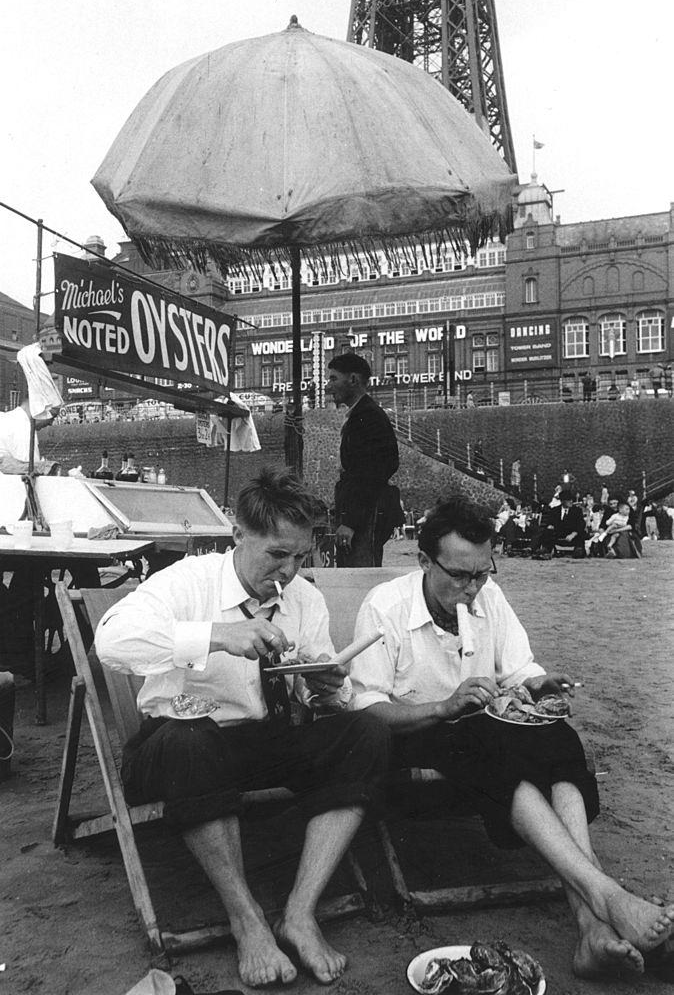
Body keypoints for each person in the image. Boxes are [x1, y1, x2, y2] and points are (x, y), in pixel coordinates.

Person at [347, 495, 674, 980]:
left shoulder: (487, 598)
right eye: (459, 575)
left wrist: (536, 682)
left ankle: (590, 925)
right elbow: (365, 708)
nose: (472, 588)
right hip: (415, 729)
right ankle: (604, 893)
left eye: (482, 573)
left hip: (485, 732)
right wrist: (443, 706)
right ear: (423, 560)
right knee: (494, 749)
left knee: (559, 740)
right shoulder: (386, 607)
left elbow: (518, 668)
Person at [95, 468, 390, 988]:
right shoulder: (188, 580)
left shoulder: (305, 600)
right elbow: (113, 642)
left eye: (301, 557)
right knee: (192, 738)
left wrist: (322, 684)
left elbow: (311, 692)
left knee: (365, 731)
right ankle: (247, 919)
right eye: (277, 554)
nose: (289, 571)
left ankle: (300, 911)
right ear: (238, 534)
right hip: (173, 745)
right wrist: (216, 635)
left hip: (260, 739)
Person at [325, 353, 402, 567]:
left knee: (359, 575)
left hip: (365, 518)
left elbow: (372, 472)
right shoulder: (363, 413)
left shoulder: (367, 416)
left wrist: (350, 522)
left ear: (353, 380)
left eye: (333, 378)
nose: (329, 386)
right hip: (365, 514)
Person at [0, 397, 58, 474]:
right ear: (39, 409)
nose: (51, 423)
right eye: (52, 417)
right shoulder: (24, 429)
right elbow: (33, 477)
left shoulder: (4, 417)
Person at [536, 489, 586, 557]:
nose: (571, 502)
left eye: (571, 500)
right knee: (546, 531)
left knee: (581, 533)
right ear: (562, 501)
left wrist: (573, 534)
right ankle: (546, 549)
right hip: (558, 532)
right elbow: (549, 522)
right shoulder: (555, 510)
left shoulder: (577, 511)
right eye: (568, 500)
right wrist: (550, 525)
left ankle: (579, 550)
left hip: (572, 533)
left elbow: (581, 524)